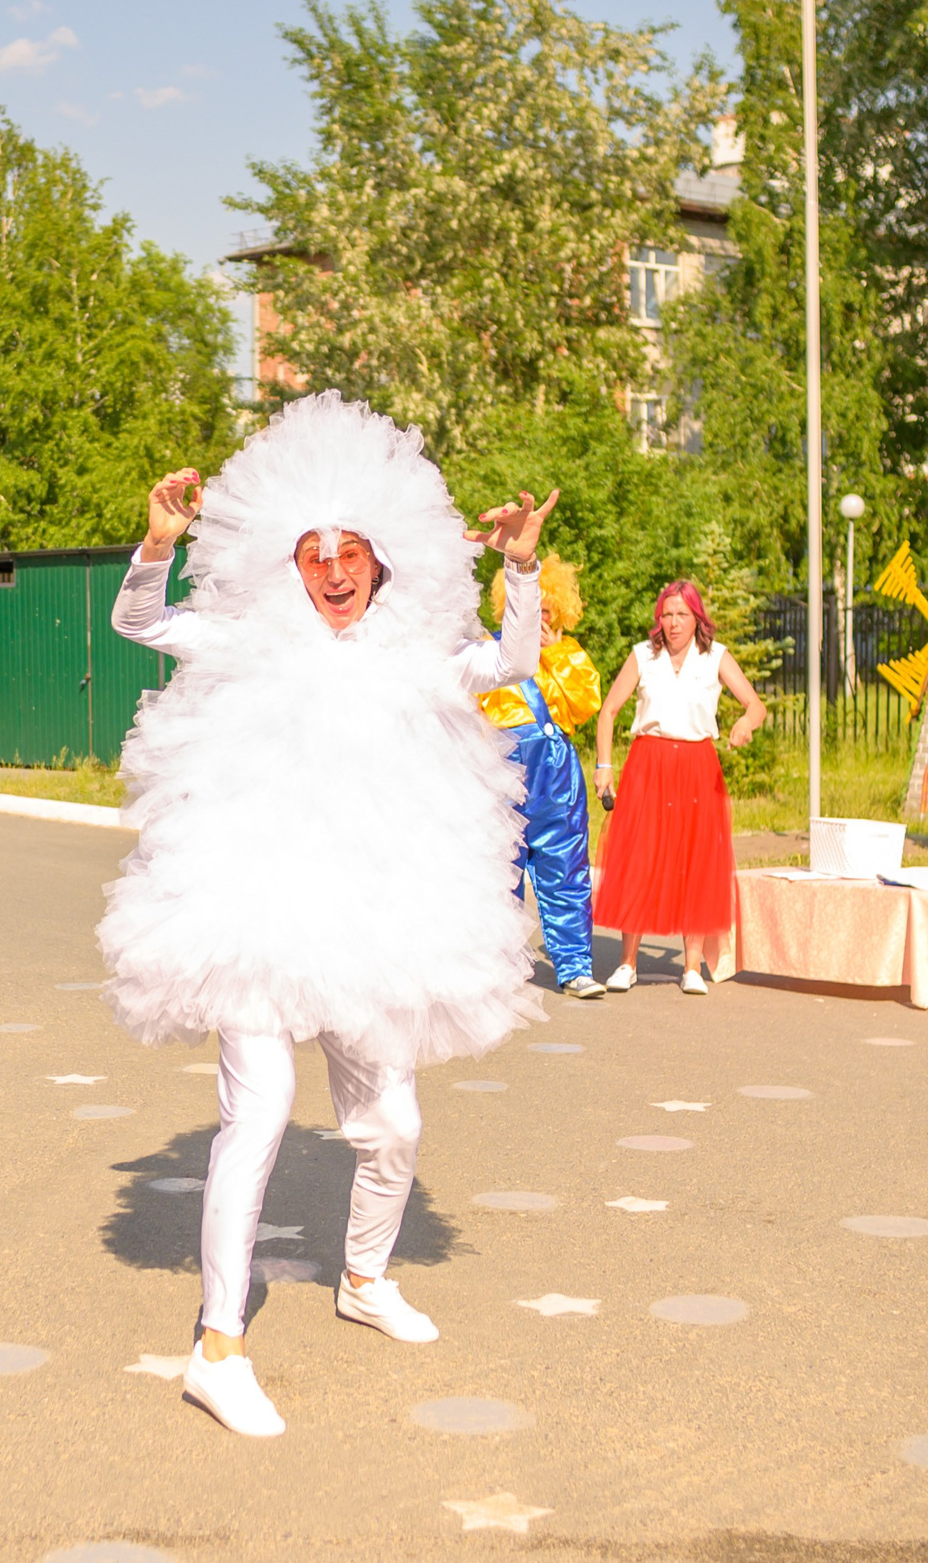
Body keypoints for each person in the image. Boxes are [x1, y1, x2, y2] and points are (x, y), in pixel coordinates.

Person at [99, 392, 555, 1438]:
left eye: (353, 548)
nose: (335, 567)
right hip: (256, 910)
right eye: (314, 550)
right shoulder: (244, 640)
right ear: (284, 562)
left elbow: (513, 663)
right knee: (256, 1112)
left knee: (392, 1121)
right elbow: (140, 621)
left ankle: (362, 1274)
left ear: (386, 558)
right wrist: (155, 545)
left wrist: (520, 571)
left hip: (367, 924)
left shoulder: (417, 655)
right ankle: (217, 1346)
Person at [592, 581, 767, 995]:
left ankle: (691, 967)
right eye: (667, 615)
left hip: (697, 767)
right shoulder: (643, 655)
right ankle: (628, 963)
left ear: (696, 618)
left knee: (696, 860)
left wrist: (745, 723)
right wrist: (604, 766)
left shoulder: (716, 656)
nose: (673, 623)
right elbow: (609, 711)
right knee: (639, 858)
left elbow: (756, 705)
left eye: (682, 615)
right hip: (647, 764)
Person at [476, 556, 604, 999]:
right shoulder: (489, 653)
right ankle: (502, 969)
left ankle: (574, 966)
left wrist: (552, 652)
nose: (538, 618)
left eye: (546, 609)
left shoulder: (568, 655)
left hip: (556, 775)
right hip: (503, 770)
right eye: (529, 608)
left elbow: (586, 704)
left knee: (566, 868)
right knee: (499, 871)